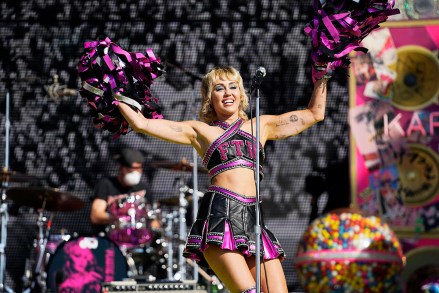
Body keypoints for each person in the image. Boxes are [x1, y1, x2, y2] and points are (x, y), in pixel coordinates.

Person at [116, 66, 328, 293]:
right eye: (219, 88)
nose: (227, 93)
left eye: (233, 87)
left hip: (254, 220)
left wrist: (323, 73)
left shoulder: (261, 125)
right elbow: (142, 124)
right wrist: (114, 93)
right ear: (210, 97)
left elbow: (315, 113)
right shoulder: (200, 130)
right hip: (221, 217)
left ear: (241, 94)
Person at [90, 148, 160, 246]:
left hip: (139, 241)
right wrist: (120, 218)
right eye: (132, 169)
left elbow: (153, 219)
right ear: (121, 168)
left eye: (138, 169)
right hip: (110, 241)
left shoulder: (144, 188)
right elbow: (96, 216)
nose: (135, 173)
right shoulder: (106, 185)